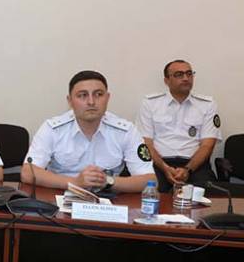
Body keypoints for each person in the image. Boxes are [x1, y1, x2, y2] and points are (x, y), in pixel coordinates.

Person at [22, 70, 156, 193]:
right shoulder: (52, 129)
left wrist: (107, 181)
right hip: (61, 195)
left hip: (108, 200)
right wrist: (75, 183)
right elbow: (28, 172)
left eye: (98, 94)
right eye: (82, 95)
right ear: (70, 101)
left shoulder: (126, 131)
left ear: (107, 98)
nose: (91, 102)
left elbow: (151, 180)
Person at [138, 59, 220, 192]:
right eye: (179, 75)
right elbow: (146, 143)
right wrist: (165, 168)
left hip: (194, 165)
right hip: (158, 163)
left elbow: (207, 145)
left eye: (189, 74)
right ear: (166, 80)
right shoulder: (150, 103)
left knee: (209, 193)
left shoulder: (207, 105)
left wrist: (187, 169)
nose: (186, 78)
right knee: (146, 190)